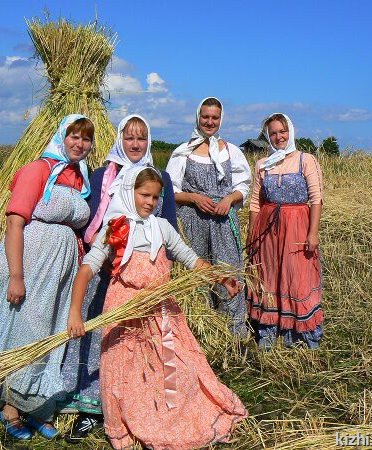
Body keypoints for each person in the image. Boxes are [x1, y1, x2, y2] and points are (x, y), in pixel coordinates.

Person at [67, 166, 247, 450]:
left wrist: (221, 277)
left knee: (172, 363)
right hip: (123, 310)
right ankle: (133, 418)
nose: (150, 202)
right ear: (129, 192)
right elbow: (87, 269)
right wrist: (75, 312)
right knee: (126, 368)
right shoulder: (116, 229)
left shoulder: (162, 227)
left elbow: (191, 258)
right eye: (144, 195)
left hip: (160, 308)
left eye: (155, 197)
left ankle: (168, 415)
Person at [0, 114, 94, 440]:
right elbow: (14, 222)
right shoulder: (38, 170)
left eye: (85, 139)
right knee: (20, 334)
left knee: (44, 336)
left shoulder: (80, 179)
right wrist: (16, 275)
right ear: (60, 137)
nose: (79, 144)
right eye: (74, 137)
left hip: (58, 274)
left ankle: (31, 405)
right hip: (30, 265)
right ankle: (9, 408)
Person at [59, 114, 177, 443]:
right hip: (105, 273)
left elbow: (168, 226)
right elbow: (89, 221)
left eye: (141, 138)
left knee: (147, 342)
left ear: (149, 141)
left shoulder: (160, 177)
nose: (135, 144)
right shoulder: (101, 176)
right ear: (119, 141)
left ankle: (144, 405)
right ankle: (92, 408)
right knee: (102, 339)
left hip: (145, 279)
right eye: (129, 138)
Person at [166, 97, 251, 337]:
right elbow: (169, 190)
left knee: (228, 272)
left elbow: (244, 185)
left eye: (214, 117)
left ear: (221, 119)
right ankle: (201, 335)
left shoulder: (231, 151)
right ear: (198, 117)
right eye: (205, 117)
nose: (209, 122)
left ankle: (233, 335)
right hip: (193, 221)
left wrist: (228, 200)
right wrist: (193, 198)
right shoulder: (183, 152)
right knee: (198, 275)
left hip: (223, 221)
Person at [247, 112, 324, 349]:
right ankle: (269, 329)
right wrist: (252, 234)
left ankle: (300, 333)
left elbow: (316, 198)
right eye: (273, 133)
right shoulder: (262, 164)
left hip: (297, 226)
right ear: (268, 136)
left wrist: (312, 233)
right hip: (268, 226)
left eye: (282, 131)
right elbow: (255, 202)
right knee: (269, 276)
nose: (278, 137)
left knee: (295, 276)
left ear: (290, 131)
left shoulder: (305, 160)